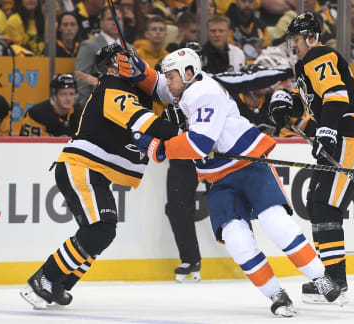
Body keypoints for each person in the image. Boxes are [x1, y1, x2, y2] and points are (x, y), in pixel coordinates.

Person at [117, 47, 342, 316]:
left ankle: (320, 276)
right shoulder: (186, 86)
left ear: (189, 73)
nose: (167, 82)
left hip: (248, 164)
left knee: (275, 222)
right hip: (218, 176)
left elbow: (199, 145)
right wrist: (138, 66)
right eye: (167, 77)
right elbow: (156, 85)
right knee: (236, 240)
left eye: (171, 76)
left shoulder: (204, 93)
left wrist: (157, 148)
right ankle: (276, 294)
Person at [19, 44, 180, 309]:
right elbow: (146, 123)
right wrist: (185, 137)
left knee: (102, 232)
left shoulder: (134, 92)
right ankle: (44, 278)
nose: (130, 63)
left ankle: (59, 283)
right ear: (109, 68)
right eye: (121, 61)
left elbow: (163, 111)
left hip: (95, 172)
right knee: (100, 231)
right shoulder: (112, 90)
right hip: (80, 166)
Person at [268, 12, 354, 304]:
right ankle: (328, 276)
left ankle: (336, 280)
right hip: (340, 135)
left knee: (326, 205)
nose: (294, 46)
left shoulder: (319, 54)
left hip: (350, 135)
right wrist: (286, 104)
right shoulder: (307, 64)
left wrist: (327, 130)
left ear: (311, 37)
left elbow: (335, 95)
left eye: (296, 39)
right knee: (317, 205)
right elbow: (315, 105)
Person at [75, 4, 127, 106]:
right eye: (111, 19)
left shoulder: (130, 48)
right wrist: (87, 107)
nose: (115, 22)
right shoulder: (89, 46)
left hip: (125, 107)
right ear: (101, 23)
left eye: (119, 19)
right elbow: (81, 80)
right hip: (98, 106)